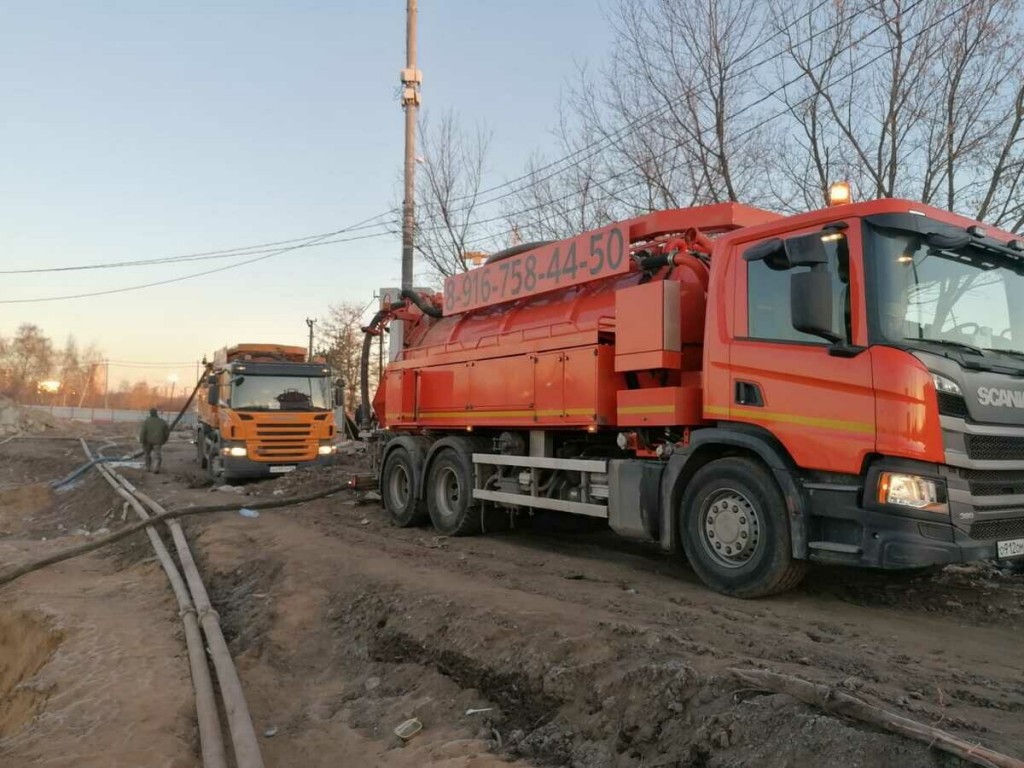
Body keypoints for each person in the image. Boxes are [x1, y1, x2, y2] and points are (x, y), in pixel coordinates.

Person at [139, 408, 170, 474]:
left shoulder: (146, 421)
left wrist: (141, 440)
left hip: (147, 441)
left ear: (150, 413)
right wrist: (164, 440)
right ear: (156, 413)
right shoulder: (162, 422)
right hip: (158, 441)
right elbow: (166, 432)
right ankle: (156, 468)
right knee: (157, 455)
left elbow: (143, 432)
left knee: (147, 454)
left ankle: (148, 468)